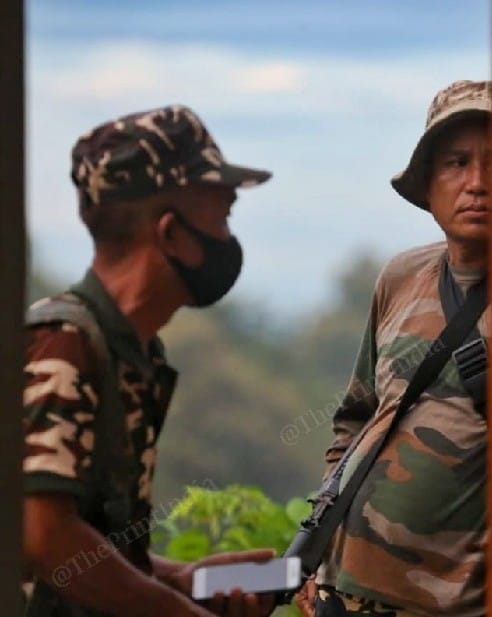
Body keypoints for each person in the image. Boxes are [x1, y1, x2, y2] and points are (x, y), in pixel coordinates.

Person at [22, 105, 276, 617]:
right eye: (222, 217)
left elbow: (90, 539)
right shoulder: (63, 344)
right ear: (170, 233)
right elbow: (45, 536)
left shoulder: (134, 353)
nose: (228, 238)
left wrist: (179, 580)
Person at [295, 80, 492, 617]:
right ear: (428, 182)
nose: (477, 184)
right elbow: (356, 419)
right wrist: (317, 547)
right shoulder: (402, 276)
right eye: (457, 163)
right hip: (348, 590)